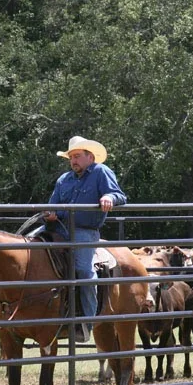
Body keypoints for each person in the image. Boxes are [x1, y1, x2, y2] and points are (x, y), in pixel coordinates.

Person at [44, 136, 127, 339]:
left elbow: (119, 195)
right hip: (57, 228)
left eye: (77, 156)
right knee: (26, 249)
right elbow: (52, 204)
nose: (73, 161)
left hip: (83, 230)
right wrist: (50, 213)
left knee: (84, 270)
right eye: (71, 157)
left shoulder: (100, 172)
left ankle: (85, 323)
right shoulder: (64, 179)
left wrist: (109, 197)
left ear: (90, 157)